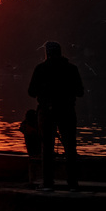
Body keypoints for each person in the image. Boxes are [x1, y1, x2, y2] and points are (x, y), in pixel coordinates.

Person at [28, 41, 84, 191]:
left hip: (47, 112)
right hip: (67, 112)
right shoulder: (72, 69)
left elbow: (31, 92)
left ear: (47, 53)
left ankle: (48, 183)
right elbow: (80, 92)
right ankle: (73, 184)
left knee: (47, 148)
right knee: (70, 148)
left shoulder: (40, 69)